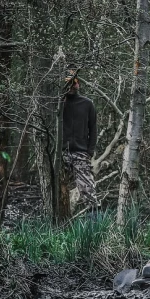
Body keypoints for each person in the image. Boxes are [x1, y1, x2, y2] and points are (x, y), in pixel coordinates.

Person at [62, 71, 99, 214]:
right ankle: (56, 226)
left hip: (80, 153)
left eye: (73, 82)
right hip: (61, 153)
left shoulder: (87, 103)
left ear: (78, 84)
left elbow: (93, 128)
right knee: (57, 190)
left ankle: (95, 227)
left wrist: (89, 152)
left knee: (88, 190)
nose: (71, 86)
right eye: (68, 83)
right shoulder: (58, 104)